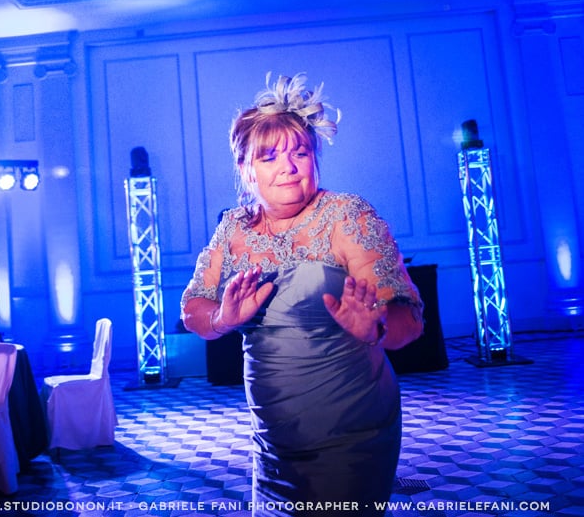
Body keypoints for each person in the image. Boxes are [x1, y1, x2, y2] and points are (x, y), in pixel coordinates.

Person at [181, 73, 424, 516]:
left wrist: (376, 328)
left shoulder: (346, 215)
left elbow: (408, 318)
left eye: (300, 152)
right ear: (246, 169)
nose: (288, 167)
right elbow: (192, 310)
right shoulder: (232, 228)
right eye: (270, 156)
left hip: (351, 432)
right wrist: (223, 319)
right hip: (273, 441)